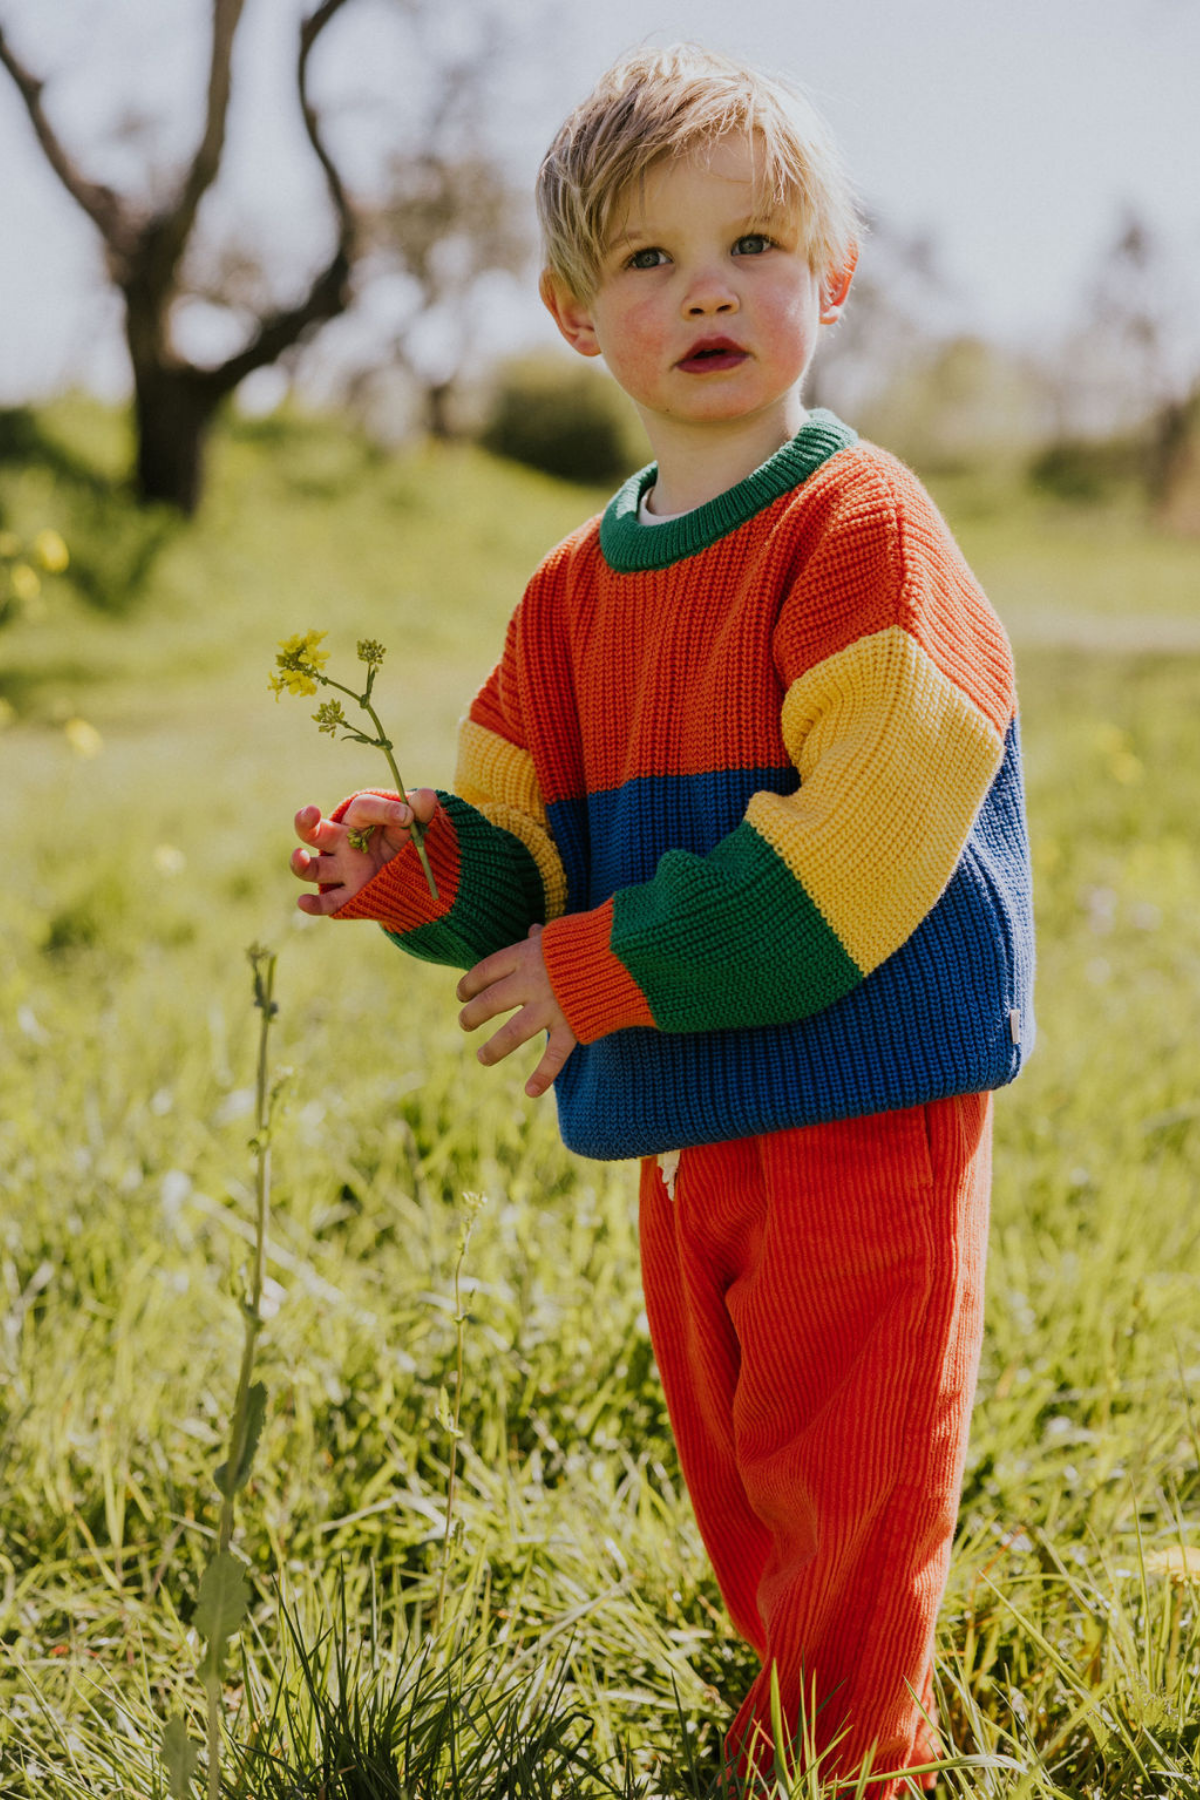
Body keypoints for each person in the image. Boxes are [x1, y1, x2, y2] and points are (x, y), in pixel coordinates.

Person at [288, 42, 1035, 1796]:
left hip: (860, 1085)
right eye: (647, 257)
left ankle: (848, 1757)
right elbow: (518, 856)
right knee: (740, 1448)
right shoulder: (568, 595)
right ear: (574, 313)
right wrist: (419, 868)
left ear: (831, 281)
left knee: (846, 1448)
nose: (706, 286)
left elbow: (852, 845)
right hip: (688, 1108)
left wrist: (598, 967)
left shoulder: (864, 532)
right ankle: (796, 1700)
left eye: (757, 244)